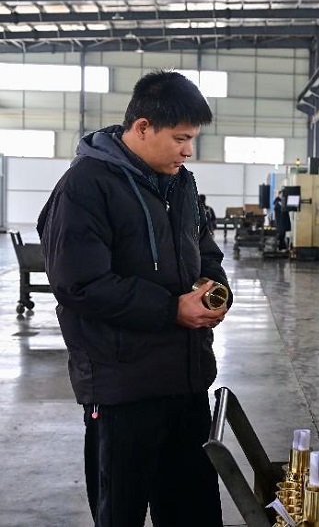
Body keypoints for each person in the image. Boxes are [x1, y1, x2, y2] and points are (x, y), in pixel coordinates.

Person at [37, 70, 230, 527]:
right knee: (121, 512)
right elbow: (79, 283)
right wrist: (171, 309)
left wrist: (214, 290)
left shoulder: (181, 182)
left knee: (193, 511)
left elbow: (205, 250)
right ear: (142, 127)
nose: (188, 150)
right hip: (122, 388)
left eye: (192, 139)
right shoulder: (86, 185)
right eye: (181, 138)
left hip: (185, 380)